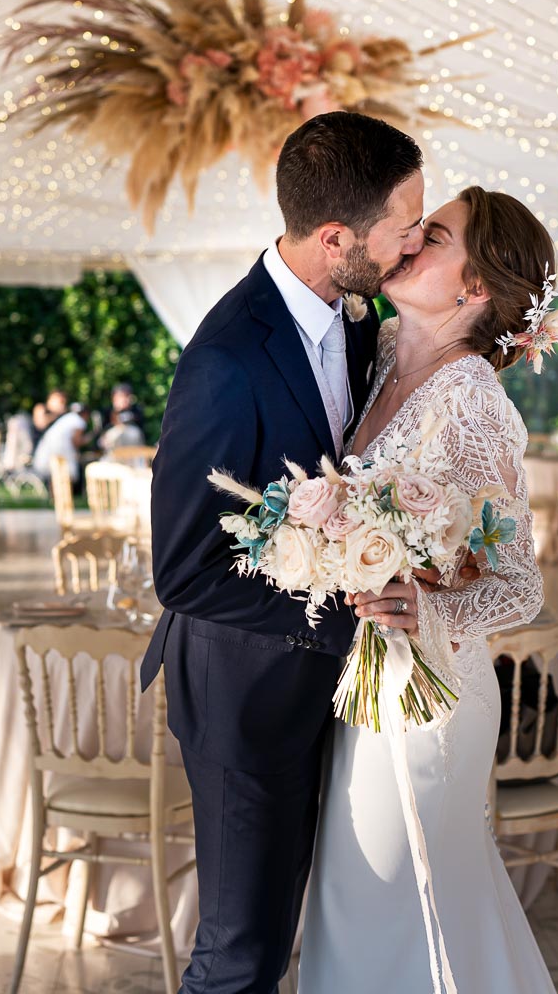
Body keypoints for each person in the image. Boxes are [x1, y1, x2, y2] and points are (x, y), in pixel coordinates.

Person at [139, 110, 425, 993]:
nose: (414, 240)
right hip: (245, 698)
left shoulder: (359, 311)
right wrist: (338, 603)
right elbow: (183, 569)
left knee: (311, 934)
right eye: (404, 225)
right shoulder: (227, 357)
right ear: (337, 237)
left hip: (327, 691)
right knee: (241, 956)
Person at [299, 186, 558, 993]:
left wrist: (432, 607)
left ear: (475, 288)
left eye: (433, 235)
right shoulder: (377, 350)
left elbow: (521, 584)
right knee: (355, 901)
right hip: (364, 678)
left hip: (432, 694)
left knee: (409, 903)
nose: (407, 242)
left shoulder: (474, 400)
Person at [31, 399, 89, 486]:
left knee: (56, 474)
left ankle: (55, 496)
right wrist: (88, 439)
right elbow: (76, 442)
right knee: (67, 474)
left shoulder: (67, 418)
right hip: (61, 449)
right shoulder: (79, 421)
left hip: (49, 448)